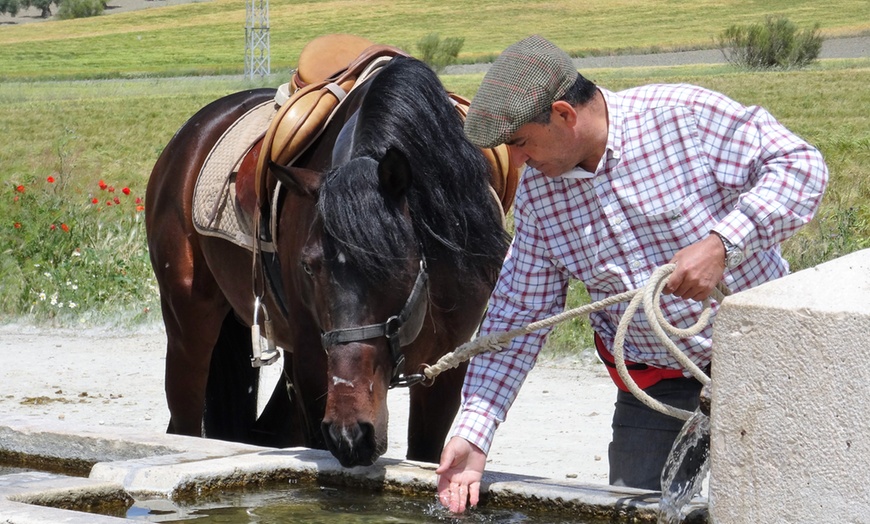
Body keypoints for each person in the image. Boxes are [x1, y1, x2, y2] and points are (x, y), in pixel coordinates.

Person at [436, 34, 828, 513]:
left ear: (563, 114)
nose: (516, 162)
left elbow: (801, 165)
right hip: (653, 385)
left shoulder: (680, 116)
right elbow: (518, 315)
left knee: (776, 508)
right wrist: (474, 433)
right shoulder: (541, 195)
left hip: (761, 363)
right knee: (636, 512)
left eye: (519, 143)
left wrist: (722, 244)